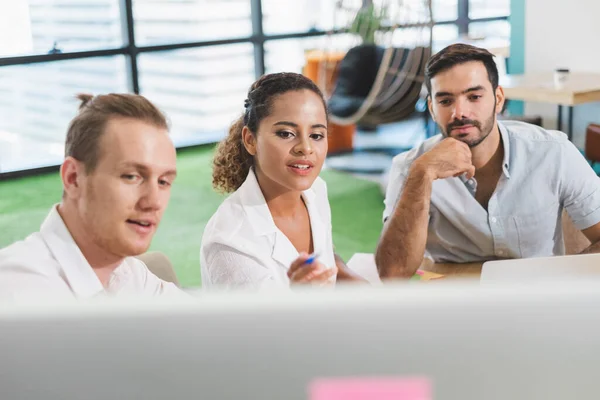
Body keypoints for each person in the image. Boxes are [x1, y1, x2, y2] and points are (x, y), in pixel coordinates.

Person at [376, 43, 600, 278]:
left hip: (536, 297)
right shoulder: (410, 167)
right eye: (445, 101)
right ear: (432, 108)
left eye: (474, 96)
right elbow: (393, 273)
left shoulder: (554, 152)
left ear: (498, 99)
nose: (460, 112)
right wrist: (421, 176)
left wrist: (560, 284)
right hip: (454, 299)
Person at [0, 93, 184, 300]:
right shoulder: (13, 292)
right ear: (73, 178)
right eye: (131, 176)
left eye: (163, 182)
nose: (153, 202)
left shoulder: (132, 277)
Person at [201, 72, 366, 289]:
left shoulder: (315, 191)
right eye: (286, 133)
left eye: (316, 135)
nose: (305, 148)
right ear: (250, 140)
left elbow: (326, 255)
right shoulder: (230, 242)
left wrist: (354, 280)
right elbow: (262, 323)